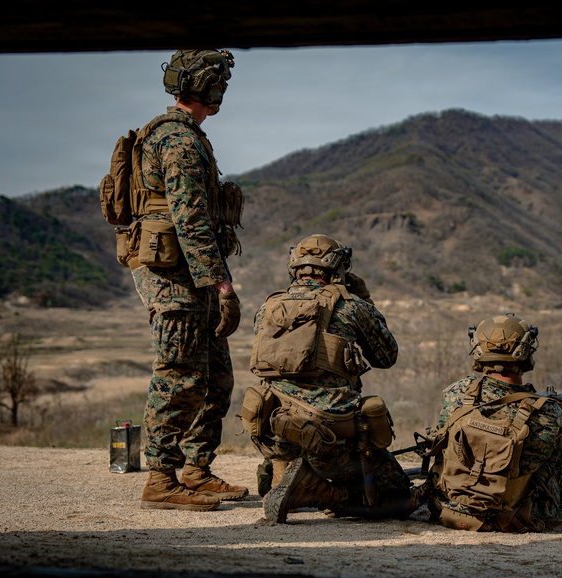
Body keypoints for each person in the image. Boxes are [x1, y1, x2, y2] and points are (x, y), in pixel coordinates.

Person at [131, 49, 248, 511]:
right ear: (207, 88)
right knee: (178, 377)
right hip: (177, 281)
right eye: (219, 84)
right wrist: (221, 284)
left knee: (216, 379)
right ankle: (161, 479)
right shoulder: (177, 142)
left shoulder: (190, 136)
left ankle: (196, 469)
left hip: (193, 278)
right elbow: (190, 220)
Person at [243, 234, 419, 524]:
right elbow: (387, 357)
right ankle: (316, 491)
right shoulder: (352, 306)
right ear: (339, 268)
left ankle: (285, 471)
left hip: (276, 432)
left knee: (287, 401)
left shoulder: (268, 308)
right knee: (397, 495)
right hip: (330, 438)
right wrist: (366, 301)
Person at [422, 313, 562, 532]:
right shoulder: (551, 413)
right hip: (511, 517)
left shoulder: (455, 393)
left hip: (448, 506)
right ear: (525, 351)